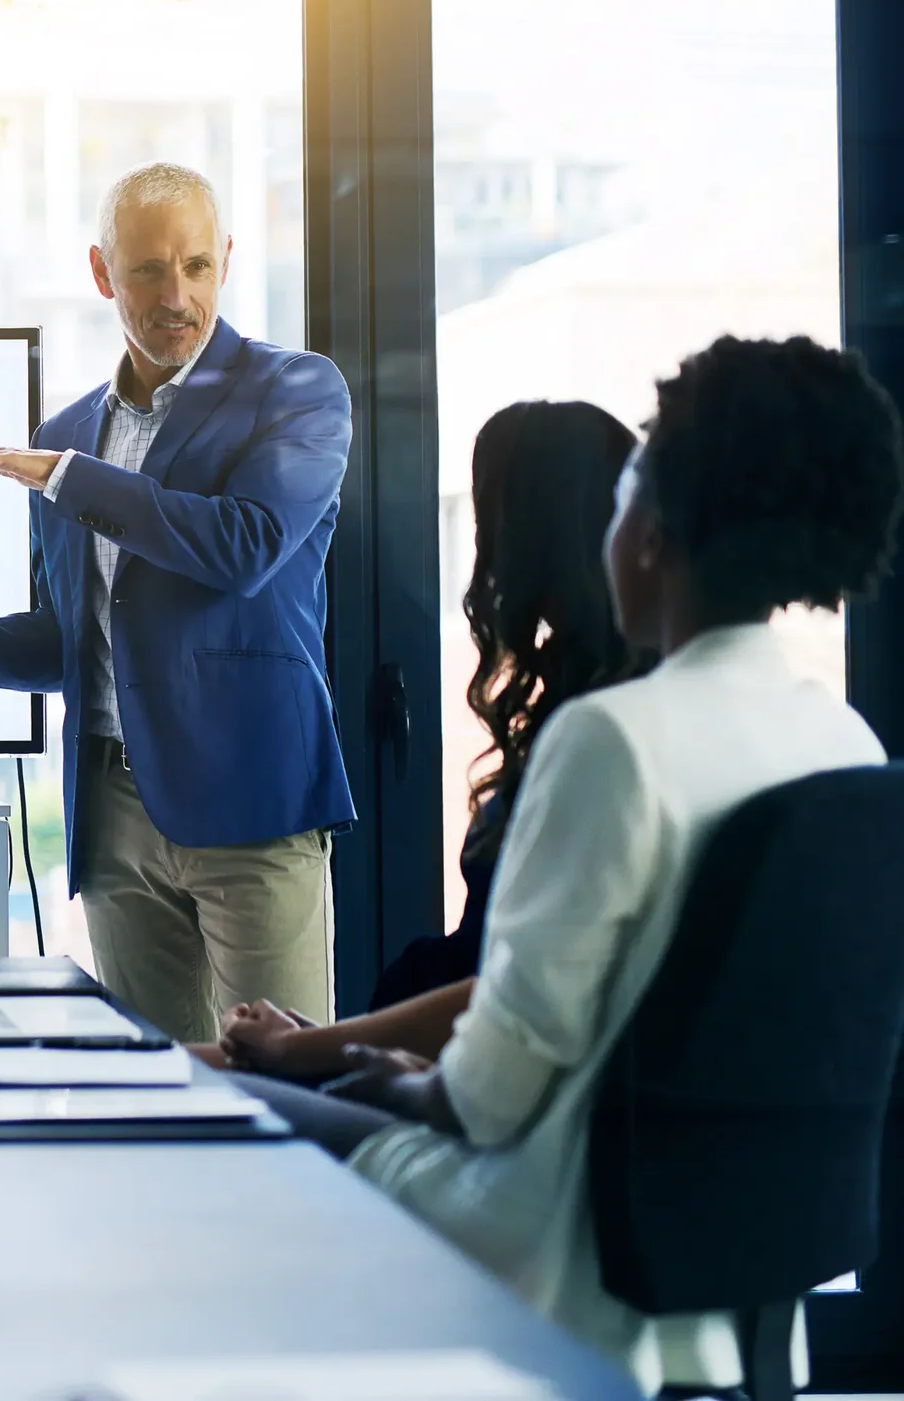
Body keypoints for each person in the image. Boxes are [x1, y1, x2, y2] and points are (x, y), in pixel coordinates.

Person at [236, 335, 902, 1394]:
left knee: (227, 1116)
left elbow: (490, 1107)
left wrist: (381, 1074)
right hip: (717, 1251)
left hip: (556, 1233)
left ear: (657, 534)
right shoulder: (840, 742)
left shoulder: (613, 741)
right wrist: (430, 1076)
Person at [0, 162, 354, 1045]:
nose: (176, 294)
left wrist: (70, 481)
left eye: (196, 265)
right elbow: (72, 639)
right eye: (148, 269)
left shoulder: (295, 392)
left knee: (285, 1083)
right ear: (103, 273)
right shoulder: (67, 435)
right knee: (153, 1092)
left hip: (252, 804)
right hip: (111, 813)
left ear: (225, 260)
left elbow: (245, 546)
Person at [215, 400, 647, 1078]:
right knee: (195, 1069)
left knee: (198, 1084)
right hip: (436, 1069)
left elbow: (506, 1002)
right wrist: (328, 1046)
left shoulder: (600, 737)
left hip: (464, 1101)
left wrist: (301, 1051)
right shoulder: (606, 704)